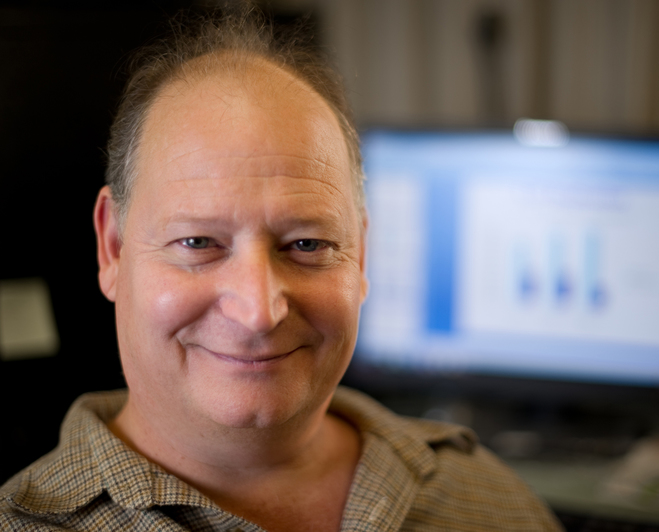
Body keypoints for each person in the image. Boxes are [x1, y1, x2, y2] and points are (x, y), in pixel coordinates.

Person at [0, 8, 563, 532]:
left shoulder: (490, 499)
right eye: (198, 242)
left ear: (361, 255)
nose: (258, 311)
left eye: (307, 244)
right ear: (113, 248)